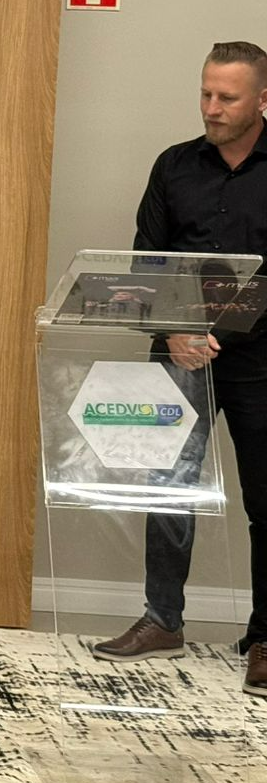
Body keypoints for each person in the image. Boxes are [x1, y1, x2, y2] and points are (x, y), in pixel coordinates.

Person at [91, 41, 267, 698]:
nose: (212, 108)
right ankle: (163, 620)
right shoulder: (174, 166)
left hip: (261, 360)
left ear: (262, 100)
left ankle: (265, 638)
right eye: (205, 93)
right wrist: (174, 330)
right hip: (179, 353)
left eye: (227, 97)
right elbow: (146, 263)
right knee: (167, 490)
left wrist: (229, 325)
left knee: (266, 500)